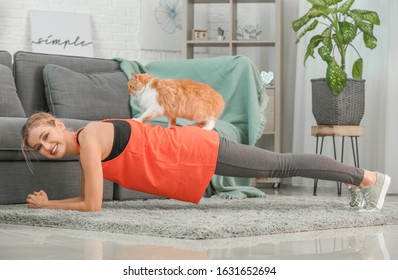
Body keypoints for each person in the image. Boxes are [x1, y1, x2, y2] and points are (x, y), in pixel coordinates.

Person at [21, 112, 391, 212]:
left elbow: (92, 204)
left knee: (279, 165)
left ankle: (365, 177)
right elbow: (90, 200)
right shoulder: (89, 137)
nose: (47, 146)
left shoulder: (87, 142)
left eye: (47, 137)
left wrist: (47, 204)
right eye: (40, 147)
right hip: (189, 150)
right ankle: (358, 179)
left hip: (193, 151)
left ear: (58, 125)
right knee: (279, 164)